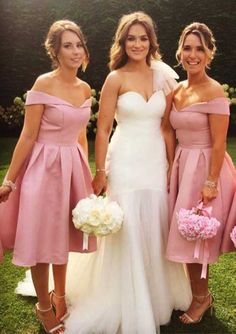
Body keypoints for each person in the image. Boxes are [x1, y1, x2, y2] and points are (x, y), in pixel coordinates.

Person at [63, 12, 192, 334]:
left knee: (155, 221)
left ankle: (155, 294)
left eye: (143, 38)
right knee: (129, 224)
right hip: (124, 160)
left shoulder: (163, 76)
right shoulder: (115, 78)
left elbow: (167, 129)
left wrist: (172, 164)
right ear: (123, 42)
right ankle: (124, 297)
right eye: (131, 38)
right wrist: (102, 170)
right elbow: (103, 130)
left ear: (151, 41)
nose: (137, 44)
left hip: (154, 160)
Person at [0, 20, 96, 333]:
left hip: (73, 166)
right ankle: (44, 305)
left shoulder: (85, 89)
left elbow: (81, 135)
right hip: (43, 168)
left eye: (78, 45)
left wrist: (88, 174)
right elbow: (27, 136)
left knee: (64, 236)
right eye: (67, 45)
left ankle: (61, 295)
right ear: (54, 51)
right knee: (43, 238)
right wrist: (9, 180)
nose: (74, 51)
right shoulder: (42, 84)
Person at [166, 22, 236, 324]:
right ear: (180, 51)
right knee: (184, 233)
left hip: (206, 167)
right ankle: (197, 294)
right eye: (188, 48)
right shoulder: (177, 89)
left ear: (209, 53)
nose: (193, 54)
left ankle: (201, 298)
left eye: (200, 49)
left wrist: (210, 182)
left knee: (195, 236)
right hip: (182, 165)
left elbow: (220, 142)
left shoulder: (214, 90)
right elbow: (167, 131)